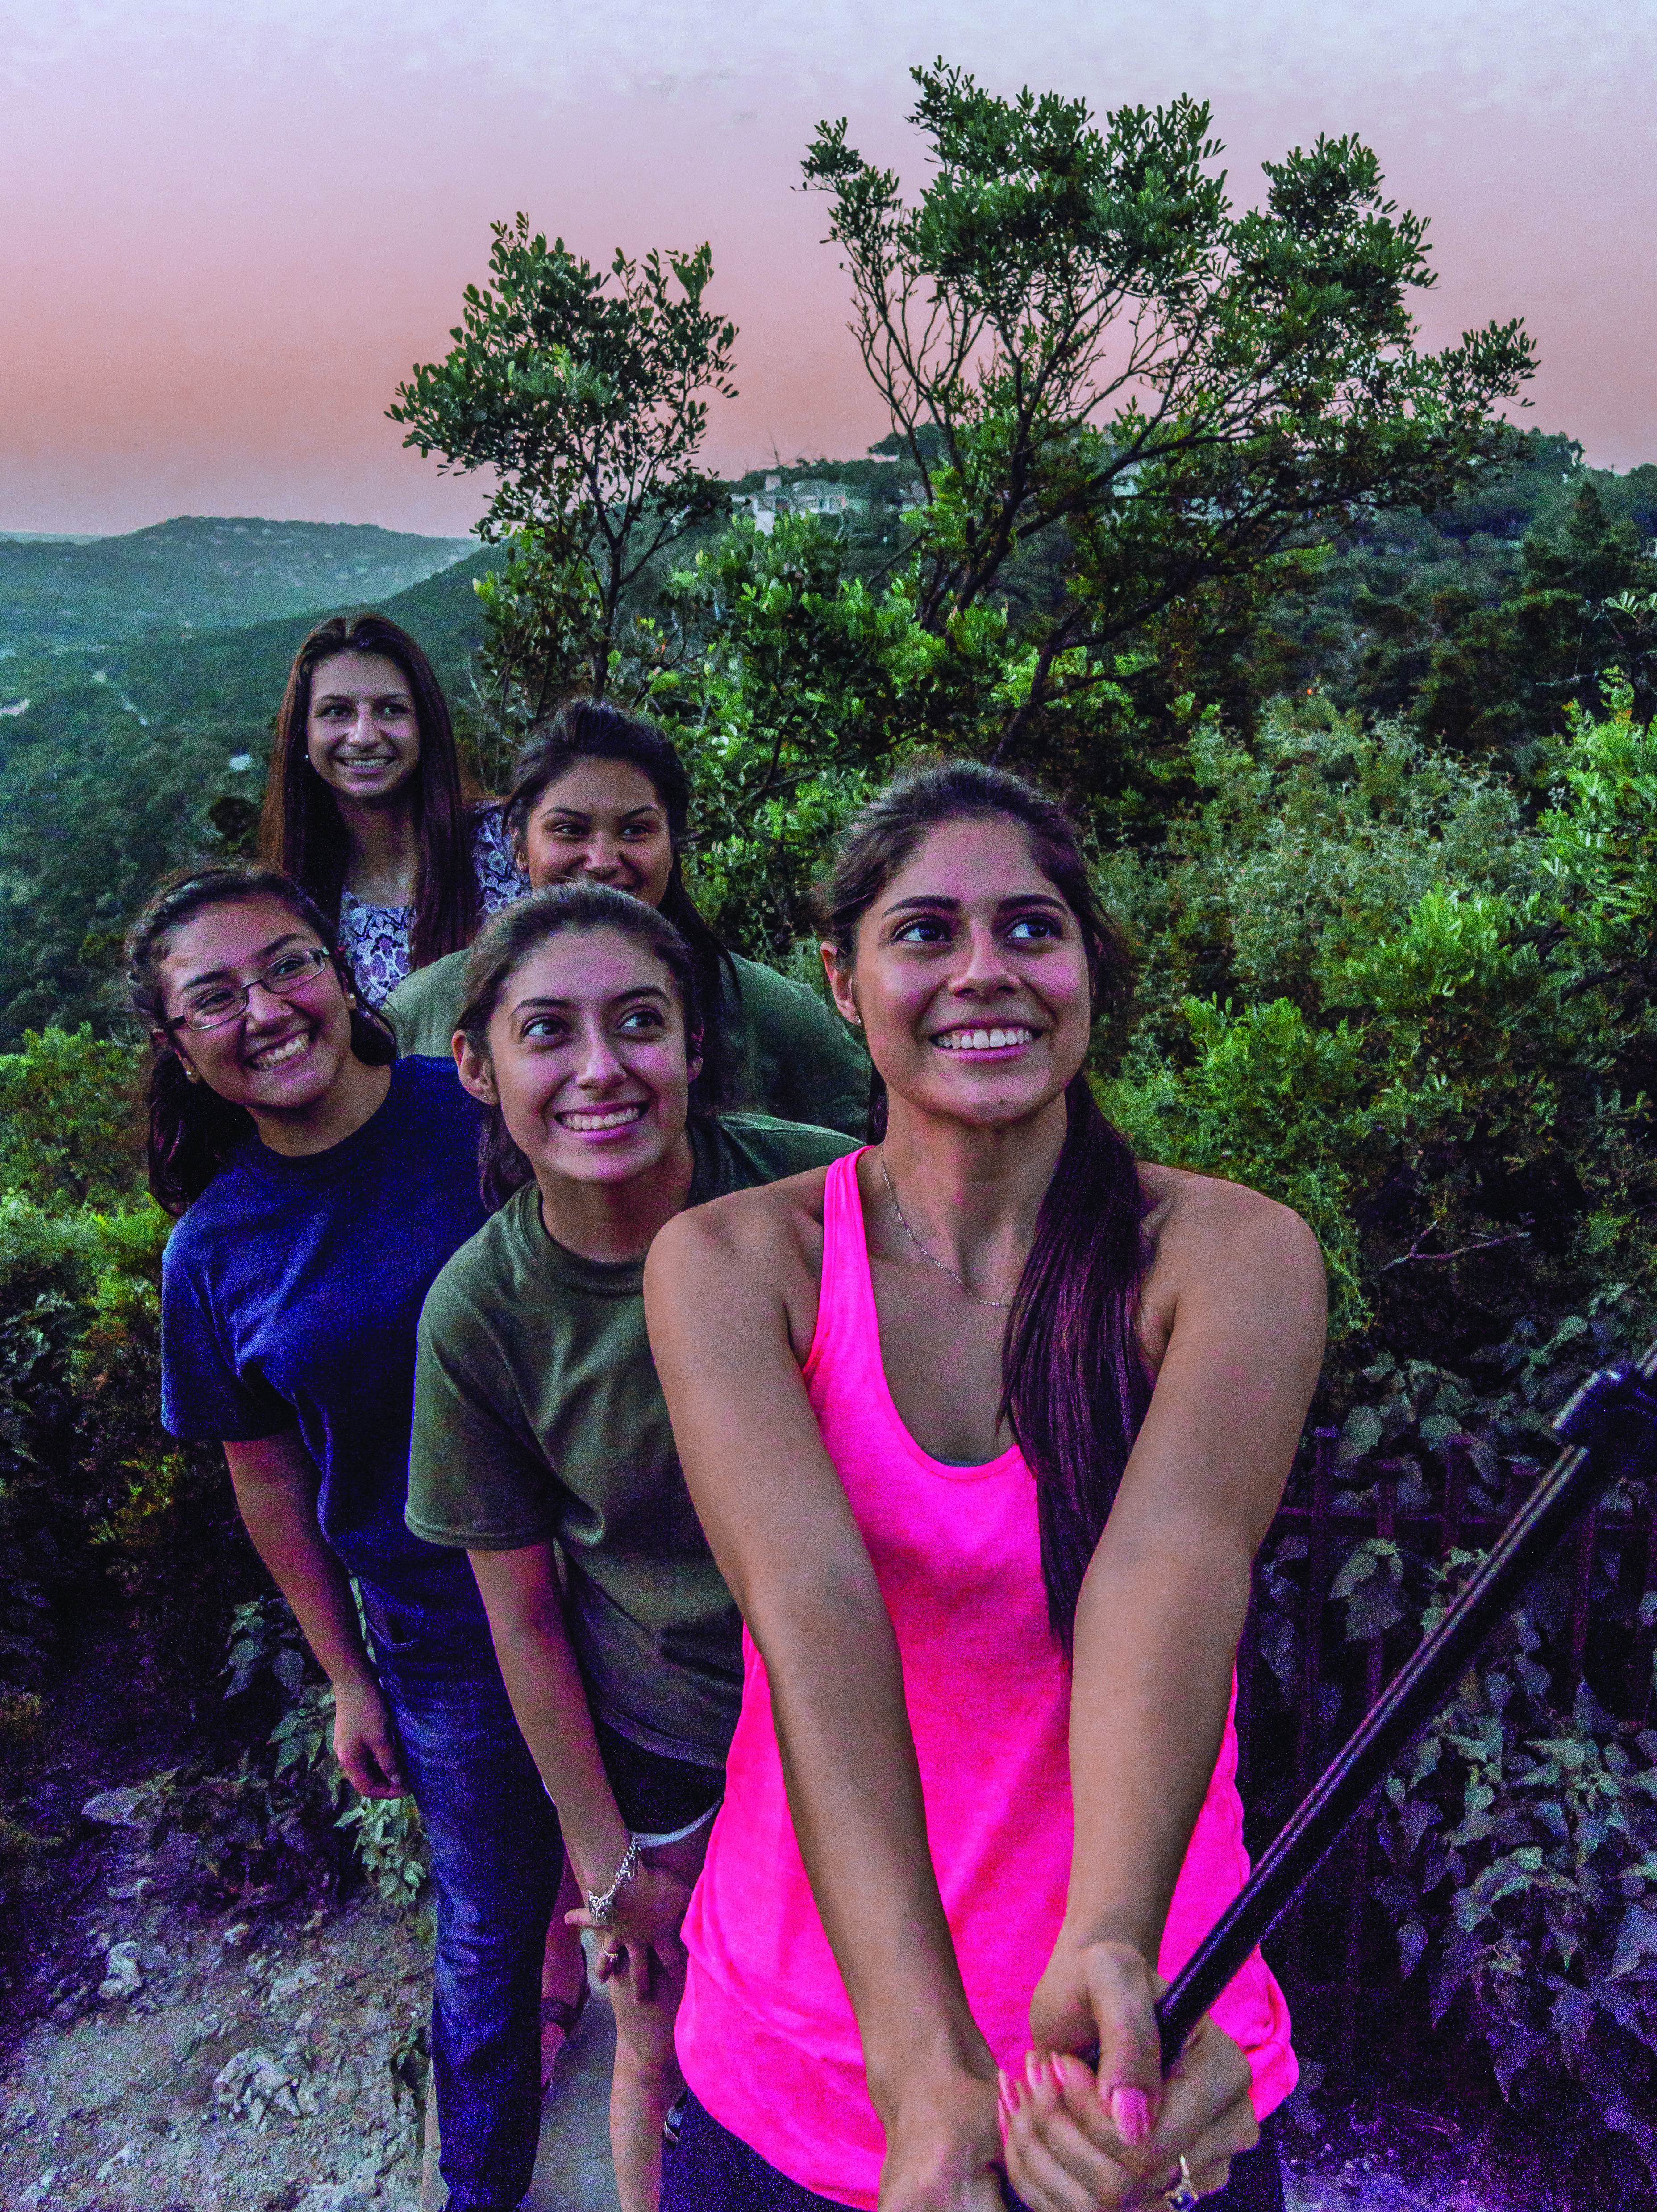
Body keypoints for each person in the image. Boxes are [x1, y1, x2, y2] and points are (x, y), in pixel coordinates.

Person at [643, 761, 1327, 2212]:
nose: (983, 970)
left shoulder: (1231, 1258)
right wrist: (920, 2068)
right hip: (803, 2052)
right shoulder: (728, 1266)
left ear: (1087, 963)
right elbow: (813, 1613)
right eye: (923, 932)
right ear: (840, 979)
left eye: (1030, 927)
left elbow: (1169, 1570)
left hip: (1138, 2052)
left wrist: (1115, 1941)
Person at [403, 883, 857, 2212]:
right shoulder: (482, 1315)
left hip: (870, 1719)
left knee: (874, 2033)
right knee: (661, 2041)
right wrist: (609, 1868)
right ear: (480, 1069)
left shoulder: (821, 1193)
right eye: (548, 1031)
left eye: (639, 1024)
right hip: (679, 1750)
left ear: (693, 1048)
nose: (600, 1068)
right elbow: (525, 1619)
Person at [132, 862, 557, 2212]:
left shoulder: (481, 1112)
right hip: (441, 1630)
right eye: (217, 995)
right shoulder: (213, 1251)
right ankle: (479, 2187)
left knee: (707, 1870)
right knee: (486, 1932)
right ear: (182, 1047)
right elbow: (265, 1477)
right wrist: (346, 1677)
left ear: (344, 971)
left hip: (630, 1582)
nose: (264, 1007)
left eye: (288, 964)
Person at [386, 698, 868, 1137]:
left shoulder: (769, 1012)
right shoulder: (427, 1009)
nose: (601, 860)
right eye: (569, 830)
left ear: (672, 843)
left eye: (635, 830)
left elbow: (867, 1167)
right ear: (519, 844)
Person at [259, 612, 525, 1005]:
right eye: (337, 711)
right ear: (303, 732)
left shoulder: (510, 843)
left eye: (391, 709)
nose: (364, 736)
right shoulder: (293, 902)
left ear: (424, 725)